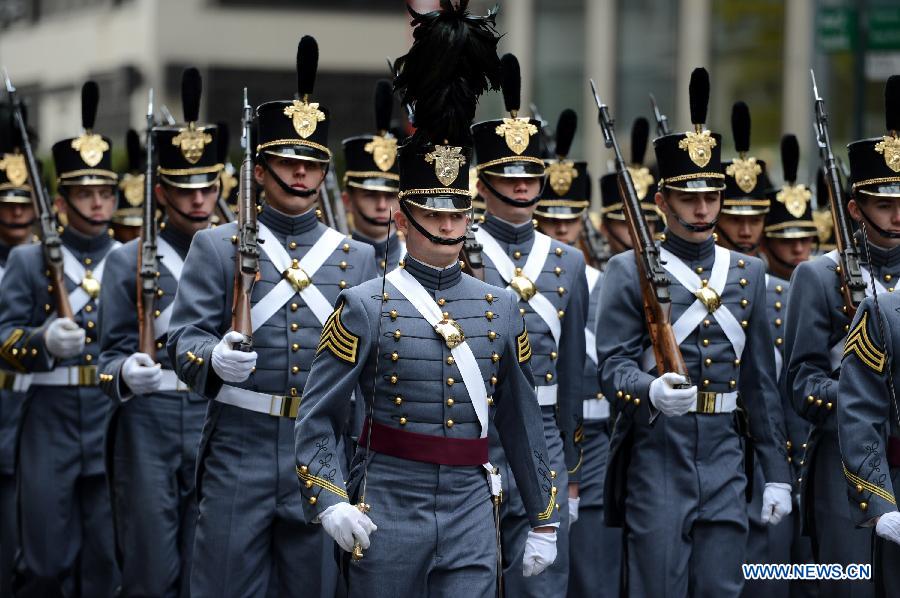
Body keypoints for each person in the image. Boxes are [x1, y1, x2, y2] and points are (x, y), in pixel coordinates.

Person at [294, 8, 558, 594]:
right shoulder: (363, 304)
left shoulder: (502, 305)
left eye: (457, 212)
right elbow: (318, 416)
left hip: (470, 503)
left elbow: (521, 420)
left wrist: (544, 515)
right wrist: (330, 498)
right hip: (389, 497)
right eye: (433, 213)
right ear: (401, 218)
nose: (447, 224)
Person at [166, 37, 376, 597]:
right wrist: (209, 357)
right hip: (241, 441)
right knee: (225, 586)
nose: (301, 175)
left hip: (322, 448)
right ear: (260, 171)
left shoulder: (356, 257)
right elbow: (180, 339)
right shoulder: (215, 247)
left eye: (311, 163)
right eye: (288, 162)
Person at [595, 68, 792, 596]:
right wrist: (648, 389)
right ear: (662, 202)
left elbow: (759, 384)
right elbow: (610, 367)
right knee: (658, 585)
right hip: (660, 453)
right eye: (688, 198)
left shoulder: (748, 273)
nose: (703, 209)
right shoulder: (627, 269)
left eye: (711, 196)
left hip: (727, 455)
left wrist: (775, 469)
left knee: (721, 587)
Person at [98, 67, 218, 597]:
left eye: (207, 185)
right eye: (183, 187)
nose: (197, 199)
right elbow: (104, 361)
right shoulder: (127, 260)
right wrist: (123, 370)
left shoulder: (237, 254)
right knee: (149, 566)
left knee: (207, 565)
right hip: (147, 420)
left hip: (215, 415)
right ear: (160, 191)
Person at [472, 53, 588, 598]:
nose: (520, 187)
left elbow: (570, 377)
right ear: (484, 180)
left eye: (528, 175)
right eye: (506, 175)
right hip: (478, 427)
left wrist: (570, 462)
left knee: (542, 586)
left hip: (542, 432)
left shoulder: (567, 264)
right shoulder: (463, 249)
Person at [0, 81, 120, 597]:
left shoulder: (132, 259)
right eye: (84, 193)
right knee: (46, 558)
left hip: (111, 415)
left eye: (105, 192)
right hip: (48, 415)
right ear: (60, 200)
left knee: (107, 559)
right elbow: (3, 339)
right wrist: (43, 341)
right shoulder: (30, 260)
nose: (97, 203)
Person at [786, 75, 900, 598]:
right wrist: (864, 395)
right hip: (843, 469)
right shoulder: (818, 276)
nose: (897, 215)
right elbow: (801, 381)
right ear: (855, 208)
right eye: (883, 204)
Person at [534, 108, 631, 598]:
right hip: (547, 431)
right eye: (548, 218)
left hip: (602, 438)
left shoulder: (605, 281)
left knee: (595, 572)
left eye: (569, 218)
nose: (559, 229)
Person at [0, 104, 37, 595]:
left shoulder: (42, 267)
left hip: (31, 405)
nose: (14, 214)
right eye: (5, 204)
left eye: (22, 203)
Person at [342, 79, 404, 272]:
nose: (382, 206)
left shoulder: (419, 259)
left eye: (390, 196)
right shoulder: (331, 257)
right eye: (370, 195)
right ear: (347, 201)